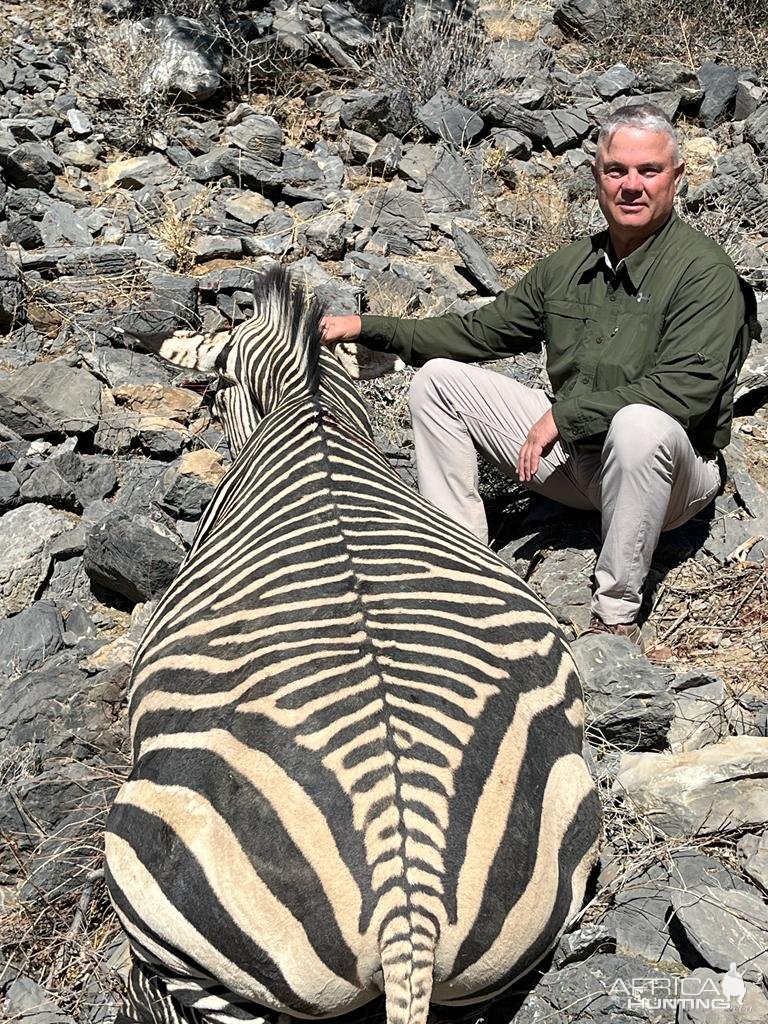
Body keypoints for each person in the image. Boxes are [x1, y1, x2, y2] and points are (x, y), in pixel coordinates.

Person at [321, 104, 754, 647]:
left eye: (649, 171)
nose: (632, 186)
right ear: (597, 175)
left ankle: (616, 614)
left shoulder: (704, 271)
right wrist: (366, 326)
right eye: (617, 170)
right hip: (581, 465)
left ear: (676, 177)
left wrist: (565, 414)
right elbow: (478, 333)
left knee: (640, 425)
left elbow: (684, 393)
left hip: (667, 481)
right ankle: (460, 569)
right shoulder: (569, 265)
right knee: (438, 380)